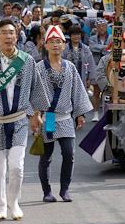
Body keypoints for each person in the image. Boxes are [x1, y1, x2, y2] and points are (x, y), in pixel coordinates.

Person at [0, 18, 49, 219]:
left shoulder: (26, 61)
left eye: (11, 33)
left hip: (19, 120)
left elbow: (36, 89)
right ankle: (0, 205)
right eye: (4, 33)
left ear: (17, 36)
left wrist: (37, 115)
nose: (8, 37)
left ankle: (14, 202)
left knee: (17, 166)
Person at [37, 25, 93, 202]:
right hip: (48, 118)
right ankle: (47, 191)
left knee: (69, 153)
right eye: (51, 42)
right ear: (45, 46)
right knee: (46, 156)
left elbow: (77, 91)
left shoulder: (70, 68)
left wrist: (80, 114)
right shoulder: (38, 68)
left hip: (66, 117)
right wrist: (35, 115)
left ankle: (65, 190)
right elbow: (31, 94)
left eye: (58, 42)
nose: (55, 45)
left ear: (63, 45)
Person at [62, 24, 97, 94]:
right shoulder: (65, 48)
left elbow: (91, 64)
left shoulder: (85, 48)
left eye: (78, 34)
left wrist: (90, 79)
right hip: (67, 79)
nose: (76, 37)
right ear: (70, 35)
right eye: (74, 34)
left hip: (83, 78)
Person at [89, 19, 112, 122]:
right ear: (96, 28)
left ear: (106, 27)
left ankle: (108, 113)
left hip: (108, 66)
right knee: (96, 91)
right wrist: (104, 47)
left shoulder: (111, 38)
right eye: (99, 26)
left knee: (109, 91)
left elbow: (111, 50)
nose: (101, 28)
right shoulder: (92, 38)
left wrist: (102, 48)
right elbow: (92, 48)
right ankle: (95, 113)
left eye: (103, 26)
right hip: (96, 66)